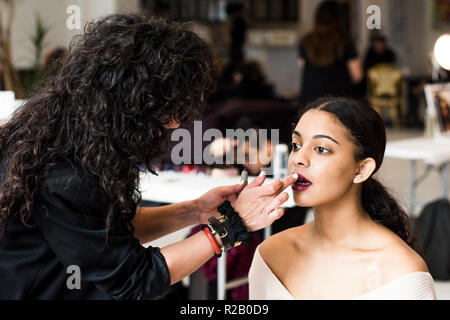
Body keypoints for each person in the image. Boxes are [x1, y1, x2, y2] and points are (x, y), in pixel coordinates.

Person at [0, 13, 297, 300]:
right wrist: (232, 226)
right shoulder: (67, 175)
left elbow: (105, 232)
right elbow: (135, 280)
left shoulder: (55, 136)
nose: (173, 124)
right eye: (166, 110)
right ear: (128, 105)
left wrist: (195, 210)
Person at [249, 96, 437, 300]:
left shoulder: (402, 273)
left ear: (362, 170)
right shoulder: (270, 255)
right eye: (296, 145)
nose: (298, 159)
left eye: (321, 149)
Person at [297, 1, 363, 105]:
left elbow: (302, 66)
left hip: (310, 102)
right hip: (339, 103)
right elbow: (357, 75)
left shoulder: (306, 41)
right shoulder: (345, 40)